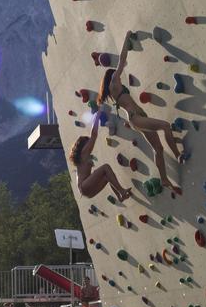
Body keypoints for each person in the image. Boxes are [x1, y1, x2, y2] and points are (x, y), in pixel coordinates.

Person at [97, 30, 183, 194]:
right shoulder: (114, 81)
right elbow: (122, 59)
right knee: (165, 126)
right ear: (112, 76)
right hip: (136, 118)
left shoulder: (114, 90)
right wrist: (126, 37)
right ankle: (178, 155)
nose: (121, 78)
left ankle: (164, 179)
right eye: (118, 76)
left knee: (158, 149)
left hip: (137, 119)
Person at [69, 116, 133, 202]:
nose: (90, 147)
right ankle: (121, 191)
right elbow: (93, 135)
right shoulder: (83, 153)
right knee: (105, 167)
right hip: (83, 186)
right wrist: (97, 115)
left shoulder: (83, 157)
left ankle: (120, 197)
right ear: (83, 145)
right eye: (88, 143)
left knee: (107, 177)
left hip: (87, 192)